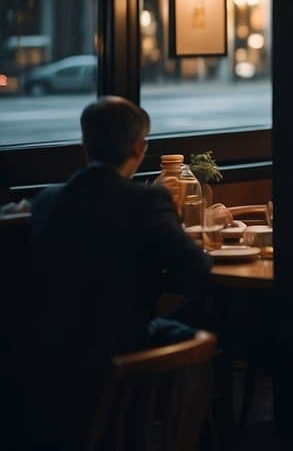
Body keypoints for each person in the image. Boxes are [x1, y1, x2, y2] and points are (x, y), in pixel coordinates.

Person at [23, 97, 213, 448]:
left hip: (47, 354)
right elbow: (198, 273)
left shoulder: (47, 200)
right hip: (118, 351)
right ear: (140, 148)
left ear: (85, 145)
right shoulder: (146, 202)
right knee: (202, 326)